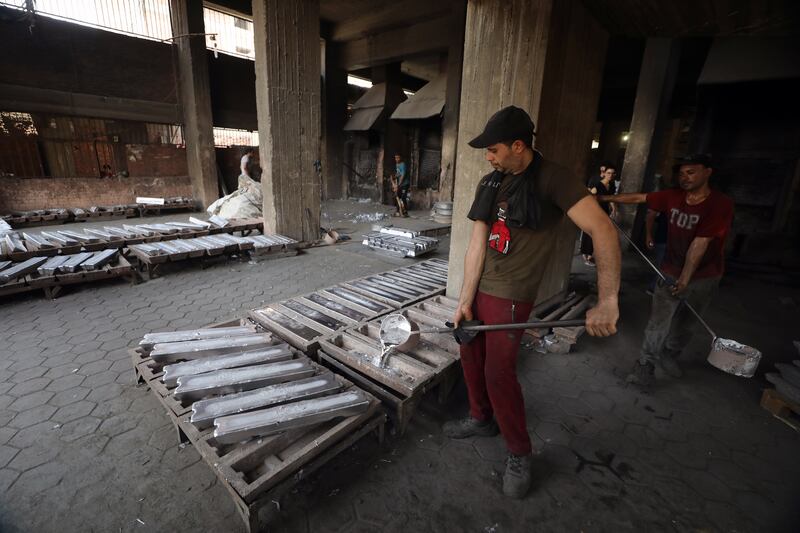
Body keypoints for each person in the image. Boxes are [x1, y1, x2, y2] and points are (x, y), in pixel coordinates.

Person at [444, 106, 621, 499]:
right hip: (483, 287)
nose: (488, 157)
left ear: (518, 145)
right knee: (469, 354)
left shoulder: (553, 179)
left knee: (499, 374)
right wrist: (464, 299)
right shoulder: (491, 183)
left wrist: (608, 299)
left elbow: (603, 229)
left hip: (512, 295)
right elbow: (477, 243)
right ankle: (480, 417)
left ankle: (519, 452)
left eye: (493, 149)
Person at [600, 154, 734, 387]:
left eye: (691, 172)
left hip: (705, 275)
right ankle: (645, 364)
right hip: (670, 269)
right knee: (658, 320)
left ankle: (670, 354)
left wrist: (685, 279)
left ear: (707, 172)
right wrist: (603, 197)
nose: (685, 177)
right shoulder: (673, 196)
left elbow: (700, 243)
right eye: (681, 173)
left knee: (688, 321)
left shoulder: (720, 204)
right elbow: (639, 197)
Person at [580, 164, 618, 265]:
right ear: (604, 174)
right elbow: (589, 198)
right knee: (591, 232)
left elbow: (611, 198)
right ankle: (587, 255)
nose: (610, 175)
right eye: (608, 173)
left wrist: (614, 209)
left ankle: (591, 254)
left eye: (612, 173)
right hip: (595, 211)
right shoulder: (598, 185)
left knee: (598, 233)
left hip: (604, 210)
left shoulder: (611, 185)